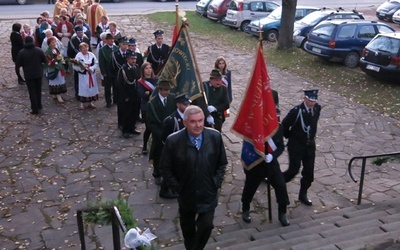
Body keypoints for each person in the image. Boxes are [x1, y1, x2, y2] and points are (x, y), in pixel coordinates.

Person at [160, 105, 227, 250]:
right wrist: (178, 188)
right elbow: (165, 168)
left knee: (207, 226)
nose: (198, 125)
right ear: (185, 123)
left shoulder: (215, 137)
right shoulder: (174, 141)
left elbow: (222, 163)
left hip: (208, 193)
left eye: (201, 120)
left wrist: (215, 182)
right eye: (193, 122)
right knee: (188, 230)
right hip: (187, 196)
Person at [240, 90, 290, 227]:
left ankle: (282, 213)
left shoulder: (277, 125)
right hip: (256, 162)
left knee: (280, 185)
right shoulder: (254, 124)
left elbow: (280, 146)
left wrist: (272, 156)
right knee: (250, 187)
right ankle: (245, 209)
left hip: (270, 162)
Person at [282, 89, 321, 206]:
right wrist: (291, 137)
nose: (312, 103)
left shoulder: (317, 109)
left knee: (309, 173)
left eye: (314, 100)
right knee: (293, 170)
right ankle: (278, 181)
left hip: (309, 146)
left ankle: (303, 194)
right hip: (296, 146)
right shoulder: (296, 111)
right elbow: (284, 125)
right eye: (310, 100)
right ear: (304, 99)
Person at [146, 80, 175, 187]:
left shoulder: (172, 99)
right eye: (165, 90)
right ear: (160, 90)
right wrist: (160, 134)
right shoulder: (152, 103)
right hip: (159, 135)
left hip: (171, 133)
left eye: (168, 90)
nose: (167, 92)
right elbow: (150, 122)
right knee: (158, 155)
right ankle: (157, 174)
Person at [15, 36, 47, 115]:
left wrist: (19, 76)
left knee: (32, 92)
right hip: (38, 73)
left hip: (28, 75)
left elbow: (17, 65)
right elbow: (45, 60)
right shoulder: (39, 51)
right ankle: (39, 105)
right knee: (38, 90)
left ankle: (34, 108)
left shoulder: (22, 52)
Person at [115, 50, 141, 138]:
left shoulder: (137, 67)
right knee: (127, 114)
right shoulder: (123, 69)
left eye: (135, 59)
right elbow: (120, 84)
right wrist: (125, 96)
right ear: (127, 59)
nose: (134, 60)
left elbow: (139, 80)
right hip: (127, 96)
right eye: (132, 59)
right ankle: (125, 130)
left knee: (134, 113)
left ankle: (132, 128)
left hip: (135, 95)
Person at [137, 62, 157, 155]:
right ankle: (145, 145)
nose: (149, 70)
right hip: (147, 107)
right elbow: (142, 95)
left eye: (150, 68)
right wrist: (148, 93)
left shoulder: (156, 79)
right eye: (146, 68)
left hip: (156, 106)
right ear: (143, 70)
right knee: (149, 128)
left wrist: (148, 92)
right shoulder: (140, 82)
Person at [72, 42, 99, 110]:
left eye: (86, 47)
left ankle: (90, 102)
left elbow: (96, 63)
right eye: (83, 48)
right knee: (83, 88)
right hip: (83, 75)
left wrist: (91, 68)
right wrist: (81, 68)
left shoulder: (91, 55)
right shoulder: (78, 56)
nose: (85, 49)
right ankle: (81, 103)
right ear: (80, 49)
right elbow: (74, 66)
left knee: (91, 88)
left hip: (91, 74)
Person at [68, 26, 91, 100]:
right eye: (79, 32)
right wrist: (75, 60)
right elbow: (70, 52)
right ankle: (78, 93)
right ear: (76, 33)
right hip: (77, 61)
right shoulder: (72, 41)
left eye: (82, 32)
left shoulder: (86, 39)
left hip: (86, 61)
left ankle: (86, 93)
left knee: (86, 78)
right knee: (77, 78)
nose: (81, 34)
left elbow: (89, 49)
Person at [112, 36, 130, 129]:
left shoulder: (129, 54)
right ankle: (121, 123)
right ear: (119, 44)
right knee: (121, 104)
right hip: (119, 81)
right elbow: (118, 66)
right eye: (124, 44)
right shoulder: (115, 54)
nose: (125, 46)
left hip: (129, 82)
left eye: (127, 44)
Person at [45, 36, 67, 103]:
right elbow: (48, 61)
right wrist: (54, 61)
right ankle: (58, 95)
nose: (54, 44)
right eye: (52, 42)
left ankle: (56, 94)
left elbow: (60, 56)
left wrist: (62, 61)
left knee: (59, 80)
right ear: (49, 44)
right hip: (53, 68)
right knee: (55, 81)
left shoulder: (56, 49)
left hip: (59, 68)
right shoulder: (47, 52)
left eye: (55, 42)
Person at [98, 33, 118, 108]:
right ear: (106, 40)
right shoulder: (102, 50)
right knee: (107, 88)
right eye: (110, 39)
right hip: (108, 71)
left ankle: (115, 99)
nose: (112, 41)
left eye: (112, 39)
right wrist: (103, 72)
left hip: (115, 71)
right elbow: (101, 62)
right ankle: (108, 101)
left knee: (116, 87)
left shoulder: (116, 48)